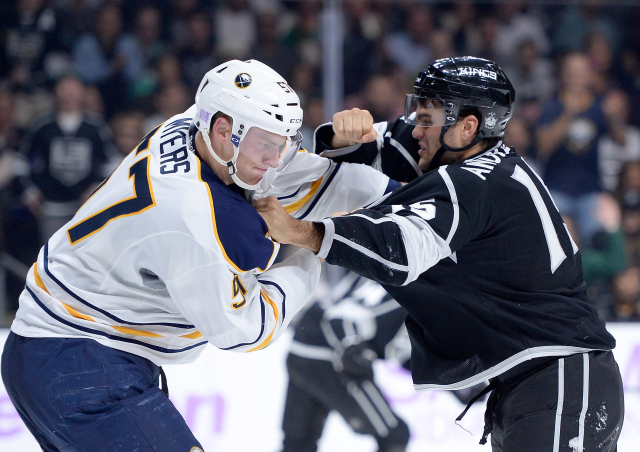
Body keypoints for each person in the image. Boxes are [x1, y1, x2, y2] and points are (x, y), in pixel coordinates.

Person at [0, 59, 393, 451]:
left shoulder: (195, 124)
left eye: (283, 142)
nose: (276, 159)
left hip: (63, 351)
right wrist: (314, 244)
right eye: (266, 144)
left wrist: (386, 172)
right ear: (223, 129)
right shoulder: (190, 216)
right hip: (79, 359)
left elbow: (299, 178)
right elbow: (245, 328)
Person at [254, 56, 624, 451]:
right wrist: (341, 138)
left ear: (467, 127)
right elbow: (383, 144)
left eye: (426, 118)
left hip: (561, 382)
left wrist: (300, 231)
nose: (416, 129)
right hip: (539, 384)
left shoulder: (476, 184)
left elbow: (399, 250)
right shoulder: (468, 161)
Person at [282, 272, 411, 452]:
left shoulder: (408, 278)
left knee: (298, 443)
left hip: (303, 348)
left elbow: (406, 353)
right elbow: (340, 318)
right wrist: (352, 346)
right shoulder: (410, 293)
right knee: (393, 435)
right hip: (329, 357)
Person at [20, 74, 117, 246]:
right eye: (64, 89)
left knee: (87, 255)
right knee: (51, 255)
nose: (69, 94)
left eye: (74, 89)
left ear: (82, 92)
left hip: (87, 207)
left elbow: (113, 162)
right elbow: (21, 161)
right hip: (50, 206)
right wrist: (29, 191)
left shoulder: (96, 127)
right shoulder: (41, 126)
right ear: (55, 92)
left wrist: (97, 187)